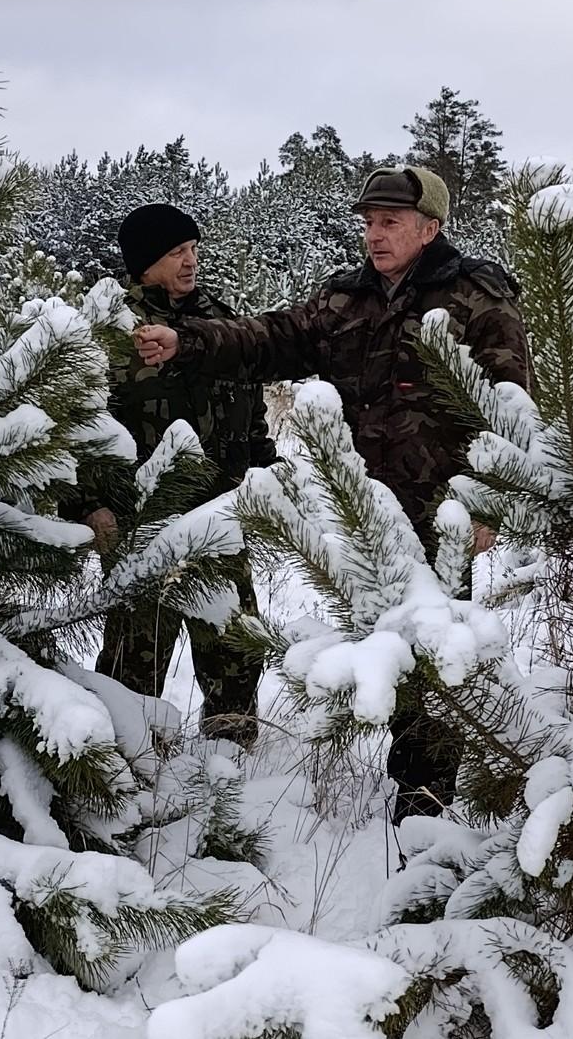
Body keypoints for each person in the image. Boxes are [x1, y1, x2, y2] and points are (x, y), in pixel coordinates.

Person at [132, 167, 530, 819]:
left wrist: (490, 501)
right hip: (359, 509)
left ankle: (423, 803)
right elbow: (267, 340)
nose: (374, 234)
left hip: (441, 514)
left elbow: (509, 403)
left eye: (390, 221)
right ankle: (368, 771)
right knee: (377, 652)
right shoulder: (347, 300)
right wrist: (187, 342)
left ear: (430, 227)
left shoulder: (475, 295)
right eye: (368, 221)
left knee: (432, 657)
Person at [87, 202, 274, 748]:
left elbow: (252, 410)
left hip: (222, 512)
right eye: (176, 254)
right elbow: (85, 431)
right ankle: (128, 751)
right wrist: (93, 504)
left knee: (235, 643)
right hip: (144, 522)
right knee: (135, 649)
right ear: (145, 264)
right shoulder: (113, 332)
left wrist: (264, 471)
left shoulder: (220, 321)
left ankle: (231, 746)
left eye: (193, 250)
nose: (191, 262)